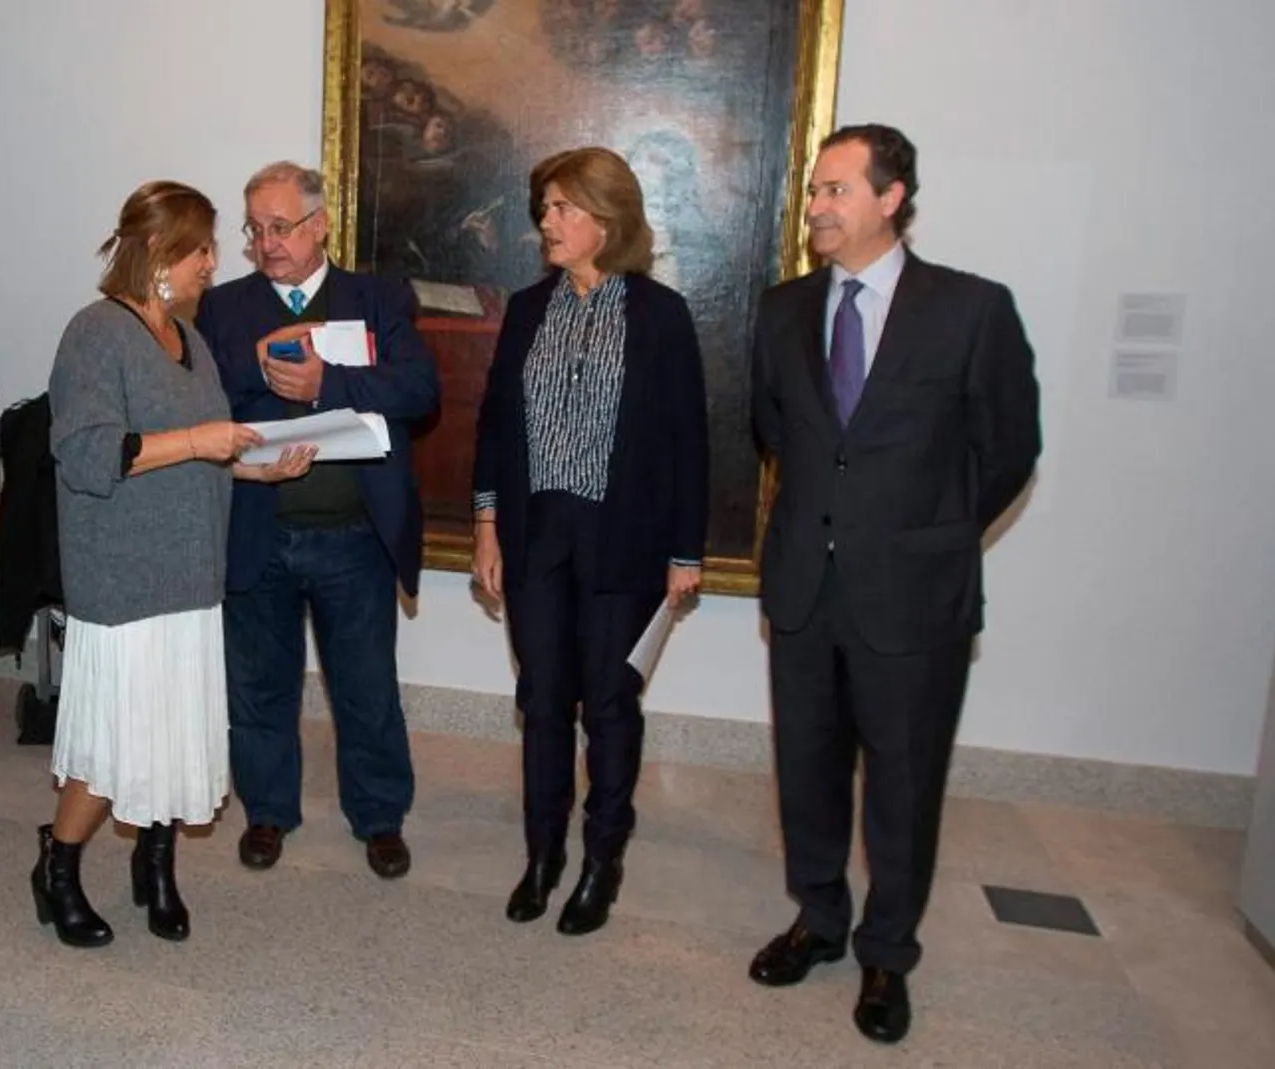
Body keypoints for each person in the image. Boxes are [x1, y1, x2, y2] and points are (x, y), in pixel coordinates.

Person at [747, 124, 1041, 1044]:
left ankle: (887, 952)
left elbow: (1008, 450)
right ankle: (820, 917)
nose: (818, 208)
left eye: (837, 190)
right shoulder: (783, 309)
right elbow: (775, 432)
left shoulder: (970, 310)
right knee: (808, 769)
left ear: (892, 198)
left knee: (904, 784)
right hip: (804, 586)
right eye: (813, 193)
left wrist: (929, 536)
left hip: (913, 596)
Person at [37, 180, 312, 948]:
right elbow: (91, 453)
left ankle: (155, 867)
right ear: (160, 254)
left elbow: (206, 449)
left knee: (169, 732)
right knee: (113, 742)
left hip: (191, 574)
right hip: (124, 580)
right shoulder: (97, 332)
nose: (213, 264)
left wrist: (260, 468)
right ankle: (56, 865)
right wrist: (201, 441)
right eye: (203, 250)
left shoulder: (189, 339)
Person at [471, 146, 710, 936]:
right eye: (546, 207)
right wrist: (485, 527)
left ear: (606, 222)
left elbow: (688, 442)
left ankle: (602, 855)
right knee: (542, 700)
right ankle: (542, 854)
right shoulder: (529, 307)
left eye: (563, 208)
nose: (547, 220)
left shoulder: (660, 316)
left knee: (608, 703)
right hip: (538, 535)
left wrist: (685, 553)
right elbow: (495, 426)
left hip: (626, 541)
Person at [195, 161, 439, 880]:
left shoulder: (375, 296)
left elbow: (419, 388)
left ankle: (380, 816)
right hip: (258, 530)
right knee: (259, 687)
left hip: (353, 536)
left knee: (365, 687)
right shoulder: (223, 307)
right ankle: (268, 811)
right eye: (255, 230)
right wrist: (265, 368)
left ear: (320, 224)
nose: (267, 243)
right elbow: (203, 399)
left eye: (281, 227)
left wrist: (327, 381)